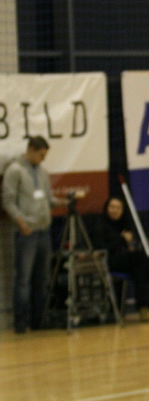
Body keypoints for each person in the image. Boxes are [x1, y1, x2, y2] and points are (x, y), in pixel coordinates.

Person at [2, 136, 66, 334]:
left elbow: (48, 199)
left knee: (42, 279)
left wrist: (65, 201)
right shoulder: (15, 171)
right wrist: (21, 223)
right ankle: (20, 323)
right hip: (27, 232)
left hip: (43, 230)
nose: (43, 159)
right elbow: (8, 201)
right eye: (41, 155)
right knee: (23, 279)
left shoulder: (43, 172)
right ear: (31, 150)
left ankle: (39, 321)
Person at [91, 197, 149, 322]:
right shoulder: (100, 225)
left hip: (124, 261)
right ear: (106, 208)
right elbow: (101, 248)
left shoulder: (123, 225)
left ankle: (144, 309)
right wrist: (122, 239)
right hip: (108, 261)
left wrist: (126, 244)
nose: (114, 210)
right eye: (112, 207)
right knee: (139, 257)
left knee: (139, 268)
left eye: (118, 208)